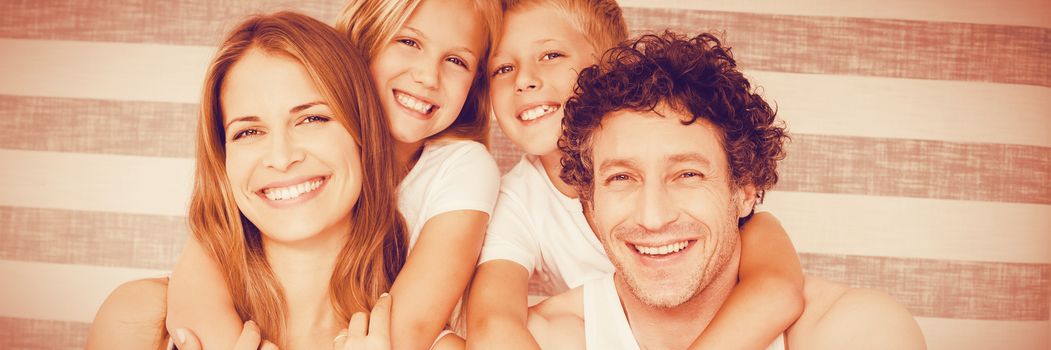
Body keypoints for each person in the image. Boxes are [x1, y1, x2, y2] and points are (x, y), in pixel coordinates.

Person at [521, 31, 927, 349]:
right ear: (590, 203)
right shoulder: (537, 339)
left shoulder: (855, 330)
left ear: (745, 189)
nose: (653, 217)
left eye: (688, 175)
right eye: (622, 178)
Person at [166, 0, 503, 348]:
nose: (427, 76)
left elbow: (410, 328)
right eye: (408, 42)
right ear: (362, 40)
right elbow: (211, 244)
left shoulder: (461, 167)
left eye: (456, 60)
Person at [467, 1, 804, 348]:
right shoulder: (515, 203)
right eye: (503, 68)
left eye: (551, 55)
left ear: (612, 66)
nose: (523, 80)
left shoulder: (726, 205)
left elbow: (778, 290)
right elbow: (492, 323)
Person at [89, 11, 404, 350]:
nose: (282, 158)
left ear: (363, 134)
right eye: (249, 131)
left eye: (312, 118)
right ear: (223, 159)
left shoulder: (425, 339)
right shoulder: (140, 322)